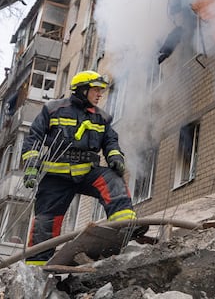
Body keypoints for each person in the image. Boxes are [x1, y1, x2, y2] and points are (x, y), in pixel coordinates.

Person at [20, 70, 138, 266]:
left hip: (87, 172)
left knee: (112, 181)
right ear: (83, 90)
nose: (100, 94)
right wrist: (32, 166)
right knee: (46, 223)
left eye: (101, 90)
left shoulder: (102, 118)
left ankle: (124, 228)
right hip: (56, 176)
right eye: (96, 90)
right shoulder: (53, 109)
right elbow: (34, 138)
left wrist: (115, 157)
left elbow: (111, 142)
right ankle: (37, 268)